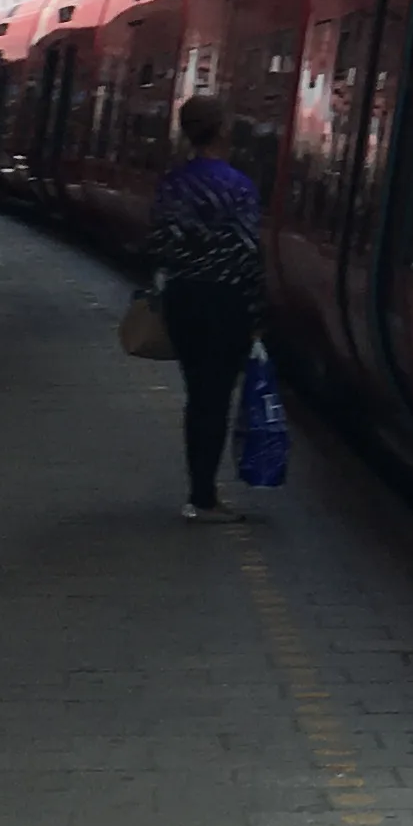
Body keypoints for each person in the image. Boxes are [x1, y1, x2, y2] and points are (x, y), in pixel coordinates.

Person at [144, 95, 270, 522]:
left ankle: (199, 491)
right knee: (215, 399)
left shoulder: (172, 184)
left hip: (183, 299)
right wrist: (255, 316)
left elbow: (159, 244)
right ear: (222, 131)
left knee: (198, 396)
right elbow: (249, 254)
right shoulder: (238, 186)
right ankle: (202, 498)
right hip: (225, 301)